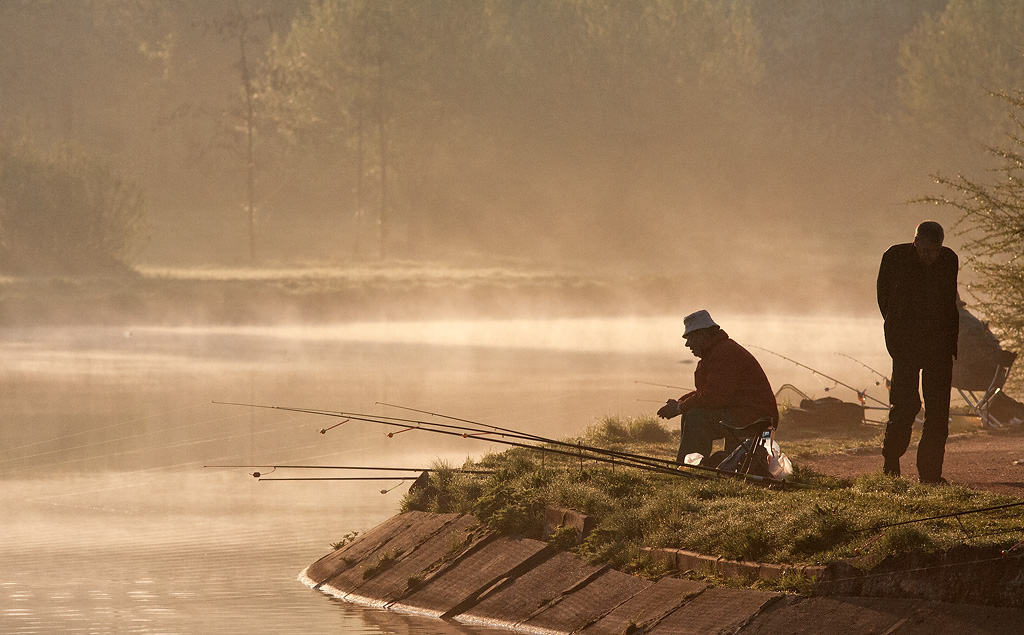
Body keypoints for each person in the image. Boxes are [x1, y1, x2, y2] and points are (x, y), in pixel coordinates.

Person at [877, 221, 959, 484]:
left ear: (941, 247)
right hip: (905, 346)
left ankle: (930, 474)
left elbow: (948, 302)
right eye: (924, 250)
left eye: (934, 251)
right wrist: (896, 336)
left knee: (938, 412)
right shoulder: (894, 257)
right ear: (915, 243)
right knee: (904, 405)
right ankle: (891, 461)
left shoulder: (949, 260)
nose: (929, 256)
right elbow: (884, 299)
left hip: (939, 347)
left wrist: (949, 342)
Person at [657, 310, 779, 464]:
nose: (687, 344)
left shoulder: (723, 353)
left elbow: (715, 397)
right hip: (745, 413)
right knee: (691, 411)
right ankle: (691, 464)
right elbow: (708, 391)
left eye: (691, 338)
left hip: (755, 418)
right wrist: (680, 403)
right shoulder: (716, 352)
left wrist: (680, 407)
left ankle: (688, 467)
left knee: (696, 416)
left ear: (703, 335)